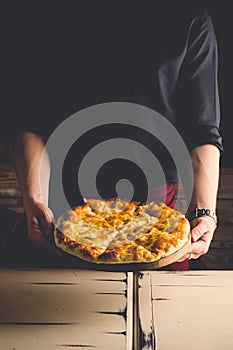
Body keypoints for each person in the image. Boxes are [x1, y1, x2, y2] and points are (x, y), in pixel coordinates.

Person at [10, 2, 222, 269]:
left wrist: (203, 212)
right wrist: (35, 200)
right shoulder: (43, 12)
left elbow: (202, 129)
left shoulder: (191, 14)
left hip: (158, 216)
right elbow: (28, 119)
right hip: (62, 208)